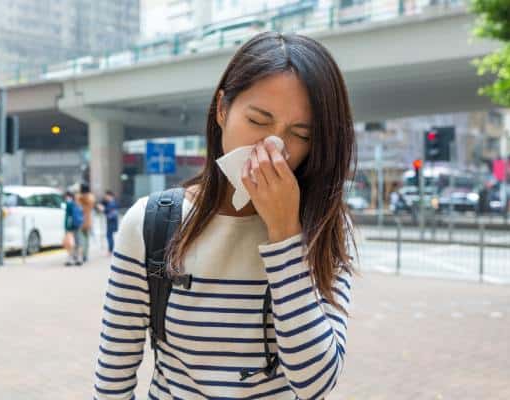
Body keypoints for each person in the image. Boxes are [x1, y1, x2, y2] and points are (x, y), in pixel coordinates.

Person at [93, 33, 356, 399]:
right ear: (222, 110)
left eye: (300, 134)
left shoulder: (326, 227)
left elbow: (316, 384)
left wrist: (284, 233)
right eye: (258, 120)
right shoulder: (151, 223)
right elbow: (112, 380)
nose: (272, 147)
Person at [76, 183, 96, 263]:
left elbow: (77, 205)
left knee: (81, 239)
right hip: (88, 220)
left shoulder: (79, 197)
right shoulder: (91, 197)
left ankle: (81, 255)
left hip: (80, 220)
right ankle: (85, 255)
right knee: (87, 239)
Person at [64, 191, 83, 266]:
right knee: (78, 242)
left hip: (70, 227)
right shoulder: (78, 204)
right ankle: (79, 258)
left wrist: (66, 227)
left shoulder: (69, 204)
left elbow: (67, 217)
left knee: (70, 243)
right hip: (77, 225)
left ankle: (70, 259)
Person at [97, 190, 119, 256]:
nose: (105, 197)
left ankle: (110, 250)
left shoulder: (112, 203)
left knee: (109, 236)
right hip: (111, 222)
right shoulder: (112, 202)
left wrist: (103, 209)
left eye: (106, 196)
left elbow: (110, 213)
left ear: (109, 196)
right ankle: (110, 250)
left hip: (112, 222)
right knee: (110, 236)